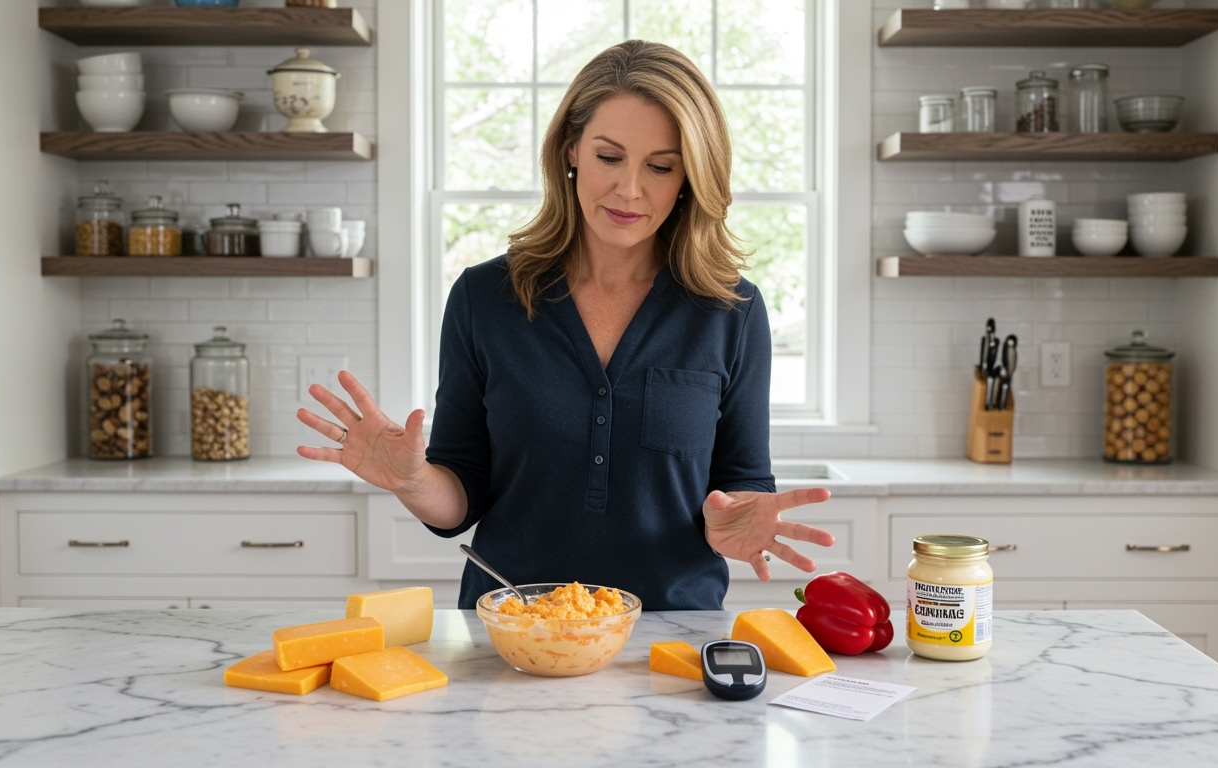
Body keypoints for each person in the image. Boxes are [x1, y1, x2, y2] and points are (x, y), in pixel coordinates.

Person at [297, 40, 834, 611]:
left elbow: (742, 479)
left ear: (689, 179)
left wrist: (734, 522)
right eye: (609, 157)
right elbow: (461, 494)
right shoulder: (484, 298)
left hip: (666, 636)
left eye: (660, 166)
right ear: (571, 149)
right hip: (511, 631)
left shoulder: (733, 311)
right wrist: (412, 481)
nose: (630, 189)